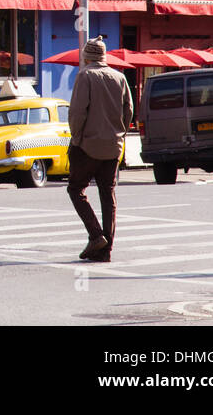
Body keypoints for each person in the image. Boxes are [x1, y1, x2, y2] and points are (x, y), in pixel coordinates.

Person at [67, 36, 134, 263]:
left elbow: (77, 112)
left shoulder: (85, 76)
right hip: (113, 147)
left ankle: (96, 236)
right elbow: (129, 111)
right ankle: (106, 250)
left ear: (86, 56)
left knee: (76, 189)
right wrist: (120, 134)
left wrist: (77, 138)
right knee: (108, 194)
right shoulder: (120, 78)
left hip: (87, 145)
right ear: (104, 57)